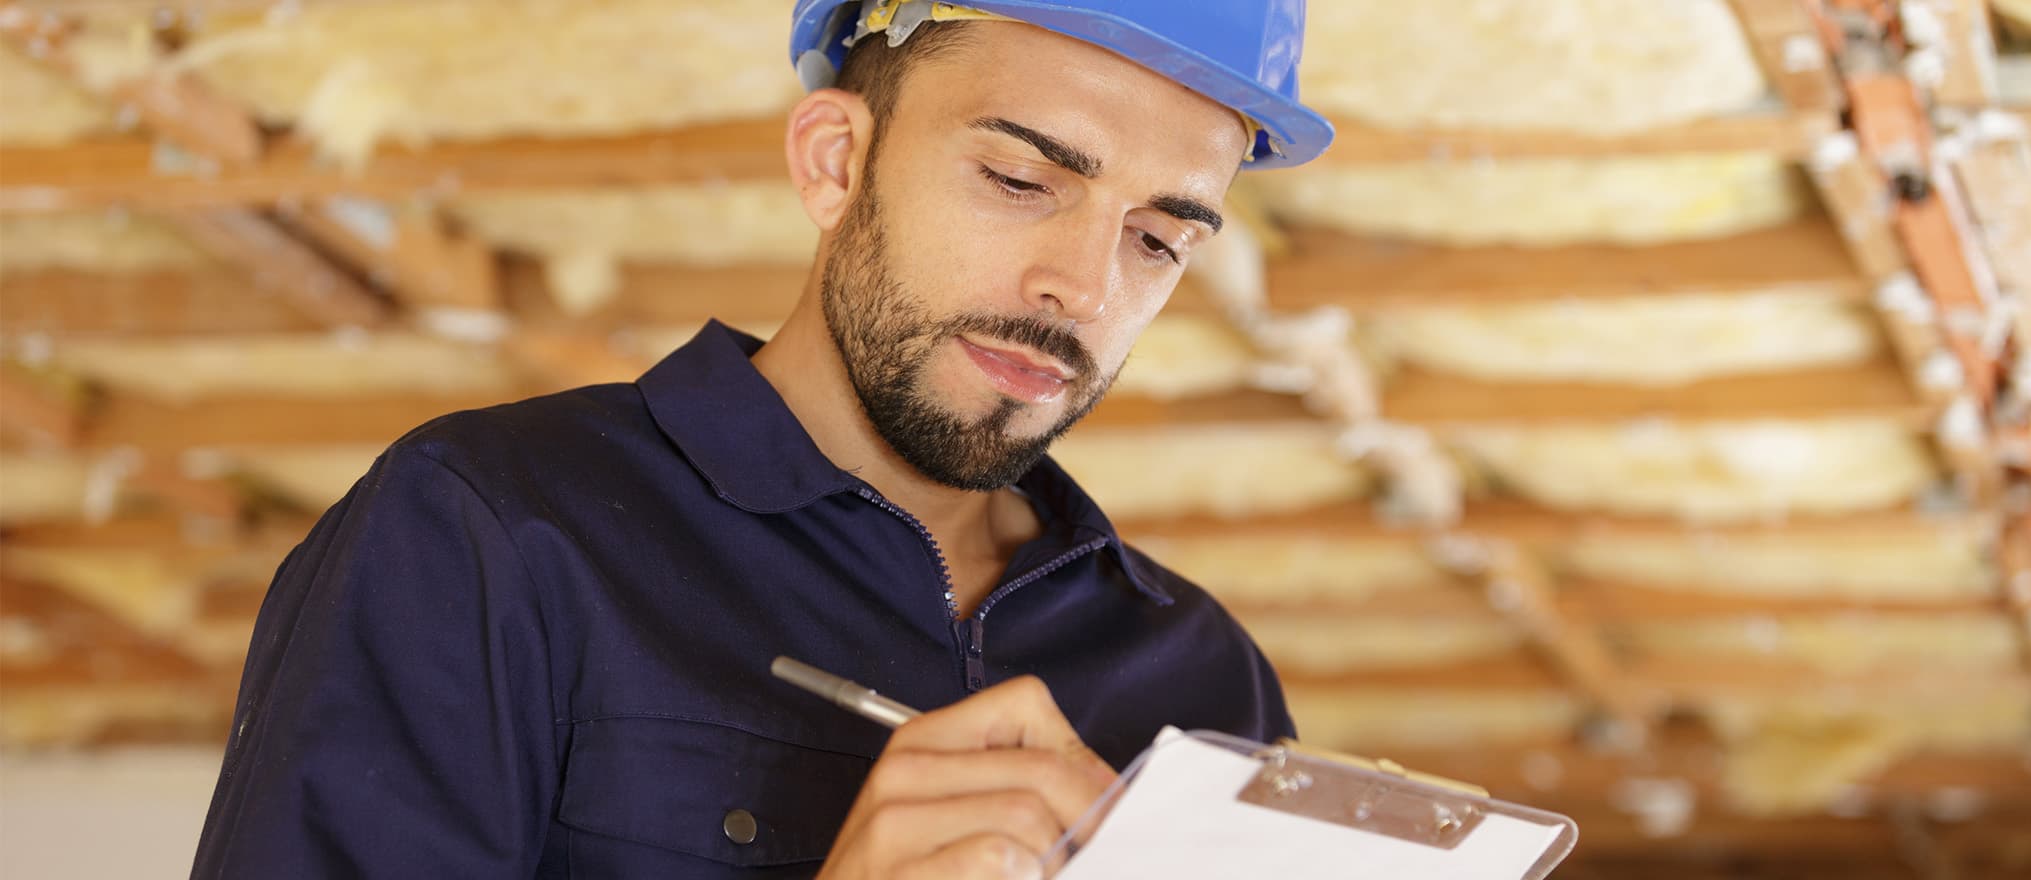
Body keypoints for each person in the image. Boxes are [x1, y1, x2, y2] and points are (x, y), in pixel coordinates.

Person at [190, 1, 1335, 876]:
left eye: (1156, 241)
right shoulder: (486, 532)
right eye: (1018, 178)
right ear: (833, 161)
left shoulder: (1204, 679)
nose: (1080, 288)